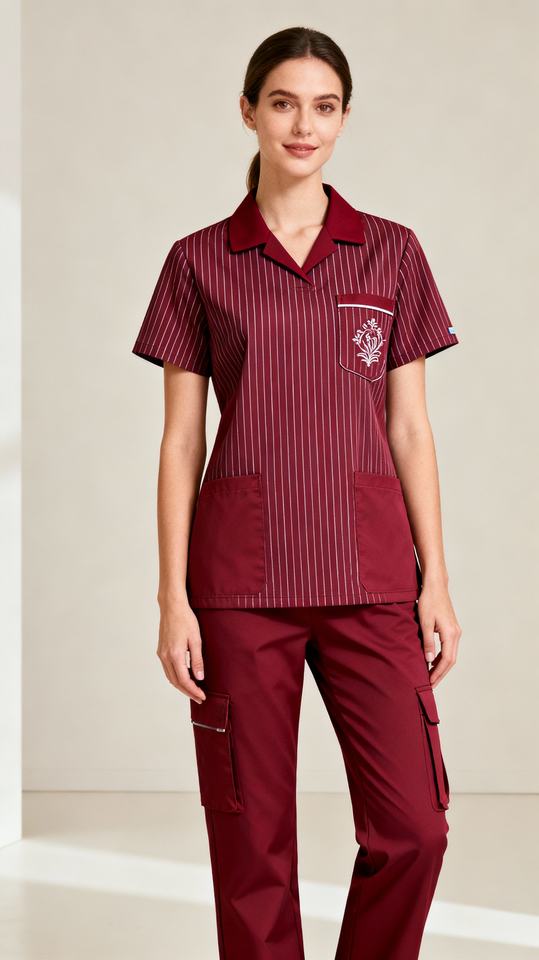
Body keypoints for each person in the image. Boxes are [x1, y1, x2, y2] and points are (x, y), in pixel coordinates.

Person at [132, 25, 462, 960]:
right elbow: (181, 440)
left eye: (323, 107)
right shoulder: (198, 260)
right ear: (248, 112)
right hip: (240, 587)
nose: (302, 125)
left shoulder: (391, 253)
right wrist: (172, 599)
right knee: (251, 846)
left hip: (371, 576)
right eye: (282, 103)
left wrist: (435, 581)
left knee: (415, 828)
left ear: (345, 119)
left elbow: (409, 429)